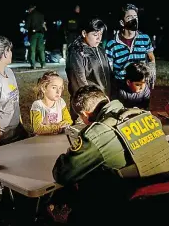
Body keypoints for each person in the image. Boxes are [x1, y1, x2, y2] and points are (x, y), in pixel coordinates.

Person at [53, 85, 169, 225]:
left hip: (131, 205)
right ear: (107, 99)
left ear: (85, 114)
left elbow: (63, 173)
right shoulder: (144, 115)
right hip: (162, 193)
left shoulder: (97, 134)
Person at [66, 17, 112, 122]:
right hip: (88, 106)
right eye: (95, 35)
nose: (99, 38)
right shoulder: (77, 52)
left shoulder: (100, 50)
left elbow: (108, 74)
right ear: (84, 33)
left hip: (103, 100)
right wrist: (88, 103)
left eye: (101, 34)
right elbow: (79, 81)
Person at [105, 4, 156, 90]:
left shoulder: (145, 38)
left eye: (136, 17)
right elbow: (108, 68)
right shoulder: (112, 44)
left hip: (140, 85)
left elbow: (151, 58)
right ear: (122, 22)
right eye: (129, 17)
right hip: (121, 86)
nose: (134, 20)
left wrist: (151, 74)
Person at [30, 71, 73, 135]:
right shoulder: (37, 105)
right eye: (54, 87)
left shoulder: (60, 102)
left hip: (59, 138)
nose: (58, 92)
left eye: (60, 88)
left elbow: (69, 120)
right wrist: (58, 127)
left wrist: (65, 124)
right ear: (44, 88)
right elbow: (37, 128)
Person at [25, 4, 47, 69]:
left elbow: (27, 26)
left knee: (32, 49)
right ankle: (43, 64)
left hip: (33, 34)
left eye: (28, 10)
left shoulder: (30, 15)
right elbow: (43, 24)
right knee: (41, 49)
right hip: (41, 34)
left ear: (30, 9)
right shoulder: (41, 15)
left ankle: (33, 64)